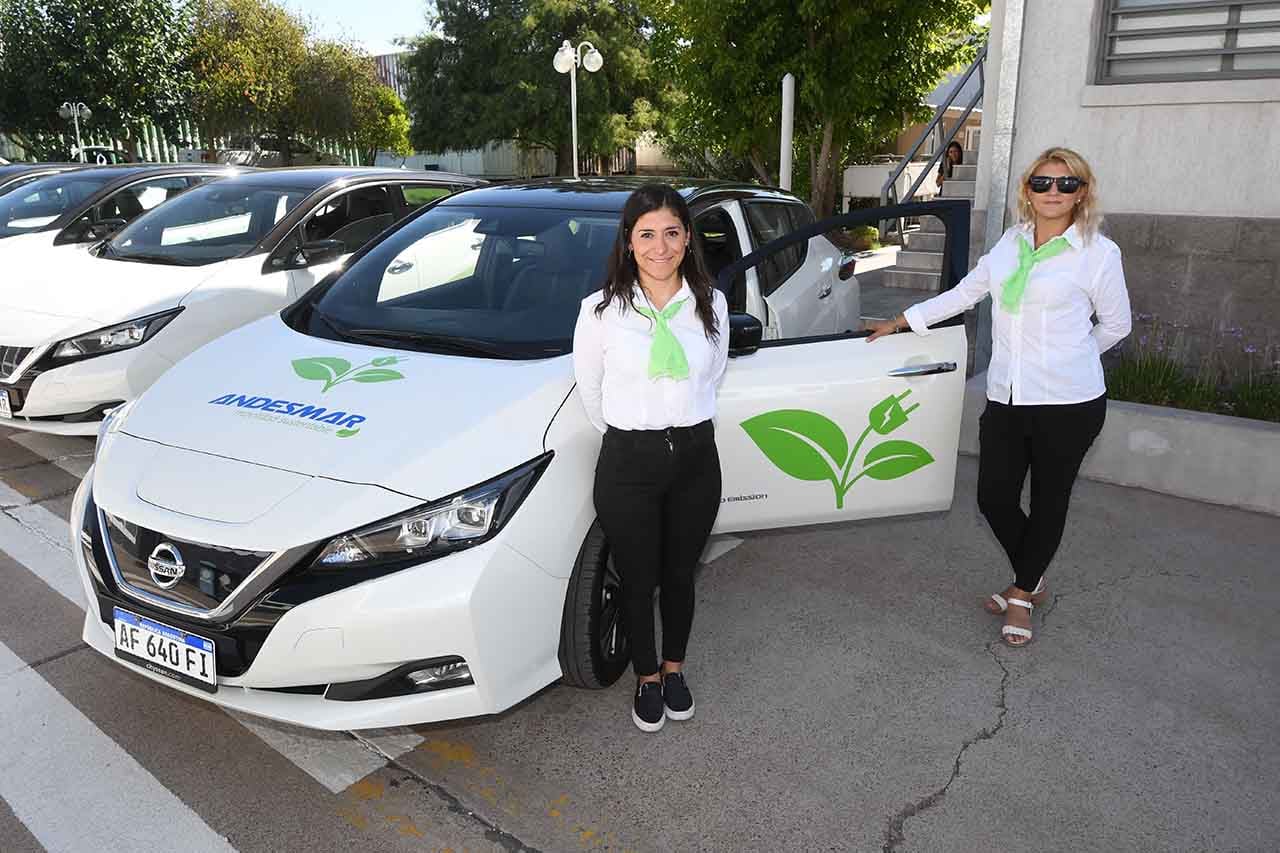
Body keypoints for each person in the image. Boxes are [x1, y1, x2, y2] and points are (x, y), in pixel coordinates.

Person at [867, 147, 1131, 647]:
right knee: (993, 497)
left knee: (1050, 502)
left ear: (1083, 192)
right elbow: (965, 294)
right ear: (1027, 189)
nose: (1053, 192)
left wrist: (1073, 357)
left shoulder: (1098, 252)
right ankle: (1032, 577)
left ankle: (1020, 591)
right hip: (1008, 396)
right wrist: (904, 320)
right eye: (1042, 182)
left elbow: (1117, 325)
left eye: (1066, 183)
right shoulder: (1010, 244)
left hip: (1070, 403)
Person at [573, 183, 729, 730]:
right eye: (646, 234)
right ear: (628, 242)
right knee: (638, 579)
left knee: (680, 574)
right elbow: (591, 393)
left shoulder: (711, 303)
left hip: (695, 459)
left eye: (670, 232)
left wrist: (675, 430)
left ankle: (675, 667)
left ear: (687, 239)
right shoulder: (598, 312)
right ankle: (646, 677)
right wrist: (635, 437)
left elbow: (712, 375)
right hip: (628, 463)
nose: (659, 246)